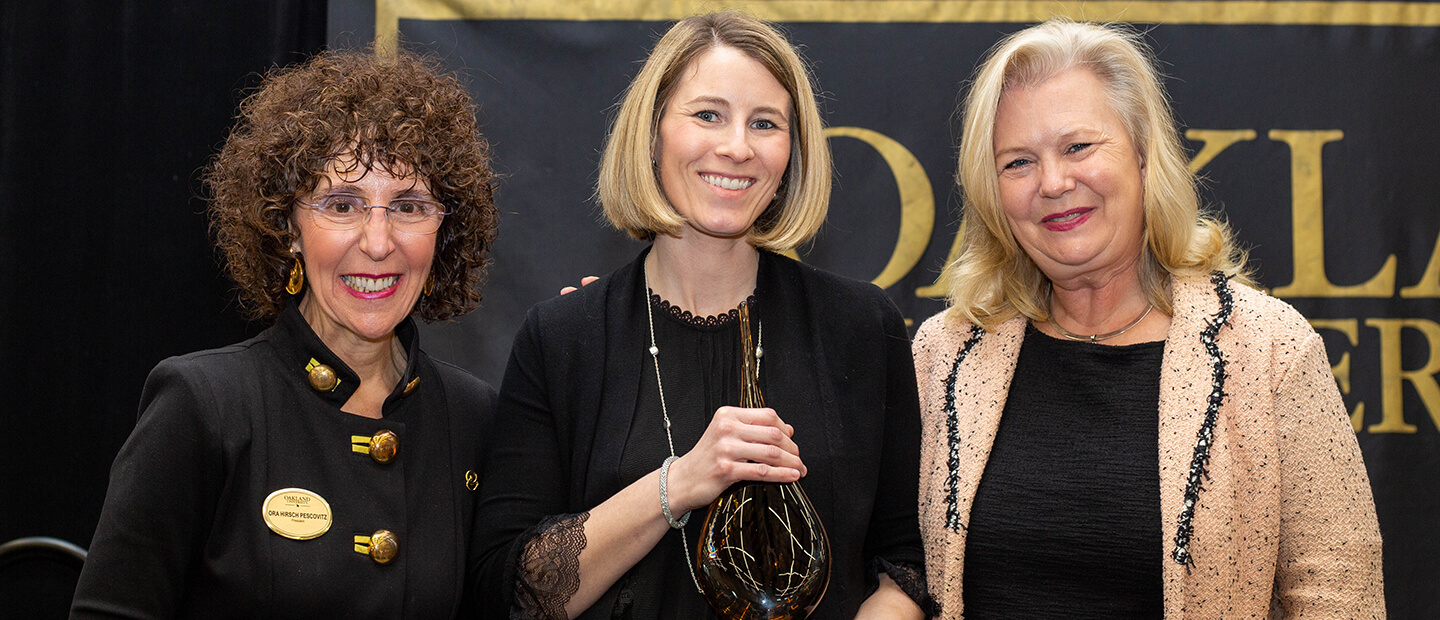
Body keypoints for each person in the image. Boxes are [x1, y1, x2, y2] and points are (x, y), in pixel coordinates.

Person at [912, 20, 1385, 618]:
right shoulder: (944, 354)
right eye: (1018, 162)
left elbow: (1340, 597)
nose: (1053, 183)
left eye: (1078, 147)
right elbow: (895, 568)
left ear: (1142, 156)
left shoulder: (1269, 349)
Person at [473, 11, 931, 619]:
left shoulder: (861, 327)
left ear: (791, 153)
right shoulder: (563, 338)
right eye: (708, 114)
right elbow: (514, 590)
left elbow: (904, 566)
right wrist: (677, 484)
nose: (736, 147)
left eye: (765, 123)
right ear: (654, 133)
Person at [70, 48, 499, 618]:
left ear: (443, 233)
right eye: (342, 205)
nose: (377, 242)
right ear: (287, 228)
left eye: (409, 206)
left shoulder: (473, 418)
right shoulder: (203, 407)